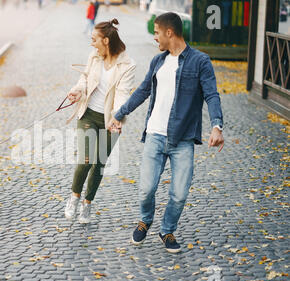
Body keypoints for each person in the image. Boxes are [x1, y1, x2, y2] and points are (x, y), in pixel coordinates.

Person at [109, 12, 224, 253]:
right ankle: (145, 220)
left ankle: (167, 230)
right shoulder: (157, 62)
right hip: (154, 135)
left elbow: (212, 94)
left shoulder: (200, 61)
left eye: (157, 33)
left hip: (182, 139)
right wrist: (119, 113)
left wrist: (216, 125)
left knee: (180, 193)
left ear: (169, 32)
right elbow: (142, 91)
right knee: (146, 189)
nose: (155, 38)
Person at [65, 19, 136, 224]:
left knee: (99, 164)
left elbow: (123, 94)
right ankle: (74, 198)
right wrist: (77, 90)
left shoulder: (127, 65)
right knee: (86, 159)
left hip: (110, 120)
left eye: (94, 39)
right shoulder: (94, 56)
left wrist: (117, 118)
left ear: (106, 40)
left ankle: (87, 204)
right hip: (88, 114)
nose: (91, 43)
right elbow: (85, 79)